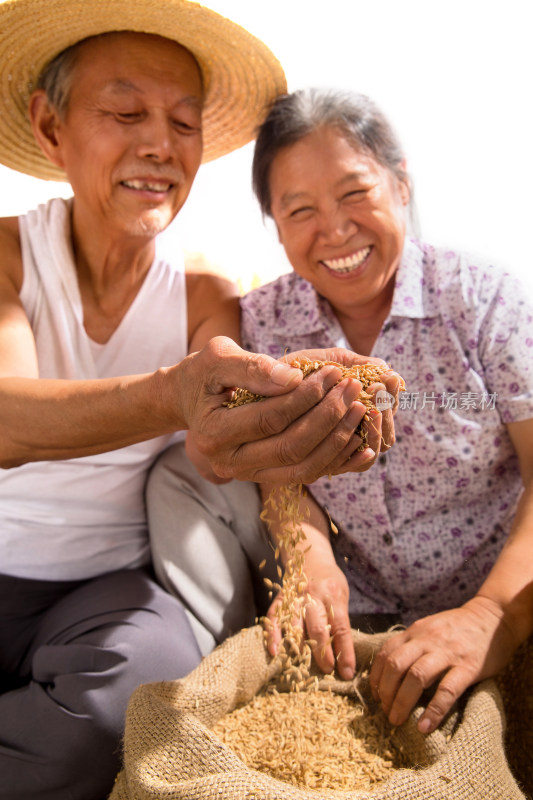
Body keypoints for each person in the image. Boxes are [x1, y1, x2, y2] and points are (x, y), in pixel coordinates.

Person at [0, 1, 401, 796]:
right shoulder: (9, 256)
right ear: (50, 128)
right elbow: (10, 417)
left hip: (101, 588)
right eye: (124, 112)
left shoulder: (203, 294)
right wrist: (172, 394)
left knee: (138, 700)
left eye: (185, 124)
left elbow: (223, 443)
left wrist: (290, 463)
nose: (159, 144)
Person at [150, 86, 533, 740]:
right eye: (299, 209)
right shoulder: (266, 322)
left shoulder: (484, 301)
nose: (333, 230)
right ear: (273, 222)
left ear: (400, 186)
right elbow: (279, 472)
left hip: (495, 598)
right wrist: (310, 560)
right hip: (361, 615)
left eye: (355, 193)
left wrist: (489, 616)